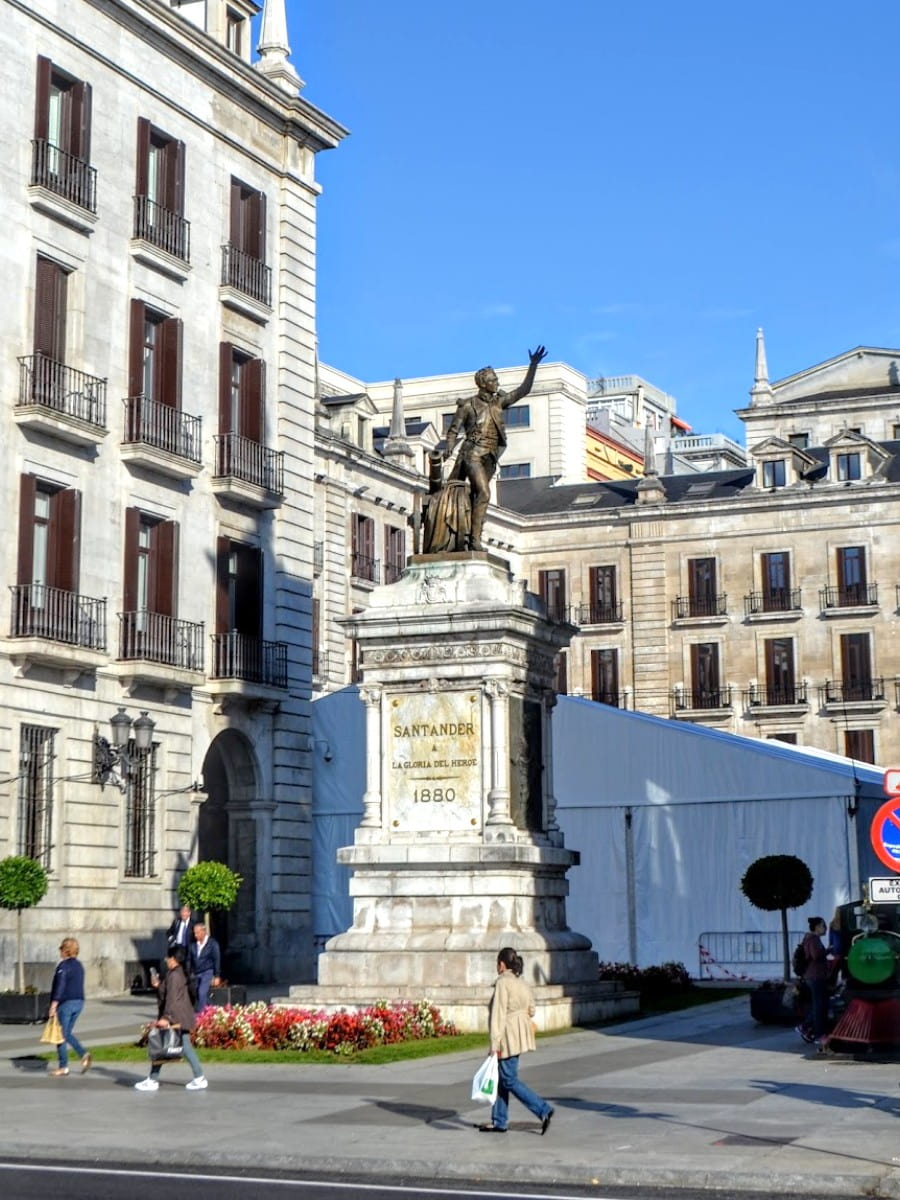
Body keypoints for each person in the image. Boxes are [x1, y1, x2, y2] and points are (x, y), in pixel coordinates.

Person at [440, 346, 547, 552]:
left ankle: (467, 533)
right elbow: (453, 430)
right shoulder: (468, 406)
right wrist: (449, 448)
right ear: (483, 383)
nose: (497, 383)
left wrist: (533, 366)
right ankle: (474, 540)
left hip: (490, 456)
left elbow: (523, 390)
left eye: (496, 379)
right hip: (472, 454)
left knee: (476, 497)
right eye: (493, 380)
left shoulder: (499, 402)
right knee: (485, 493)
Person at [477, 946, 553, 1135]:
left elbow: (498, 1015)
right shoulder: (521, 983)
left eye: (497, 963)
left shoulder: (503, 983)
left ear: (502, 964)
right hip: (519, 1035)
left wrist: (494, 1043)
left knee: (509, 1080)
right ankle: (499, 1120)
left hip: (507, 1036)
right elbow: (532, 1010)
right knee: (503, 1079)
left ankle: (543, 1109)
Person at [135, 944, 207, 1091]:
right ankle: (155, 1079)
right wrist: (159, 985)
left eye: (168, 957)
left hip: (176, 1016)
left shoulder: (174, 975)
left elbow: (172, 998)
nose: (166, 960)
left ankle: (154, 1080)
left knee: (161, 1046)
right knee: (170, 1047)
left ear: (173, 959)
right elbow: (169, 992)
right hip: (181, 1015)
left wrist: (166, 1018)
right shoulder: (177, 973)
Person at [48, 937, 91, 1077]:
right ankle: (80, 1056)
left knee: (60, 1035)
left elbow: (60, 986)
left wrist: (54, 1004)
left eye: (61, 948)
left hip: (66, 1003)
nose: (59, 951)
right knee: (66, 1033)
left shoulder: (63, 967)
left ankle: (65, 1065)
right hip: (79, 1002)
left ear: (66, 951)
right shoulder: (79, 965)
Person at [797, 915, 832, 1045]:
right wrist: (828, 950)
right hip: (815, 977)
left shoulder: (811, 939)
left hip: (815, 976)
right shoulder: (813, 939)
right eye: (823, 925)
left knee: (820, 1004)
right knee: (819, 1005)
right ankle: (818, 1034)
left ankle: (807, 1027)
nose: (826, 928)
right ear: (817, 927)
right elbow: (816, 955)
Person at [190, 921, 221, 1012]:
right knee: (198, 994)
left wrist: (217, 975)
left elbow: (217, 959)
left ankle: (200, 1015)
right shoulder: (193, 944)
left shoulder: (212, 944)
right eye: (194, 933)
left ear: (203, 931)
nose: (195, 935)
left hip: (207, 971)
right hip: (196, 972)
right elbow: (190, 959)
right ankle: (213, 1010)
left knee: (202, 992)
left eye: (197, 933)